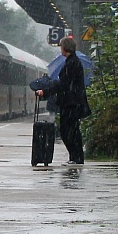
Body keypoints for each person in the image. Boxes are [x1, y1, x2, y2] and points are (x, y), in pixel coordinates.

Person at [36, 36, 88, 165]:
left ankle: (76, 157)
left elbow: (64, 84)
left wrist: (46, 91)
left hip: (71, 103)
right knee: (71, 131)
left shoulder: (72, 63)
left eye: (61, 47)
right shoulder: (72, 61)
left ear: (65, 48)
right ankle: (75, 157)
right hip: (72, 102)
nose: (60, 49)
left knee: (68, 131)